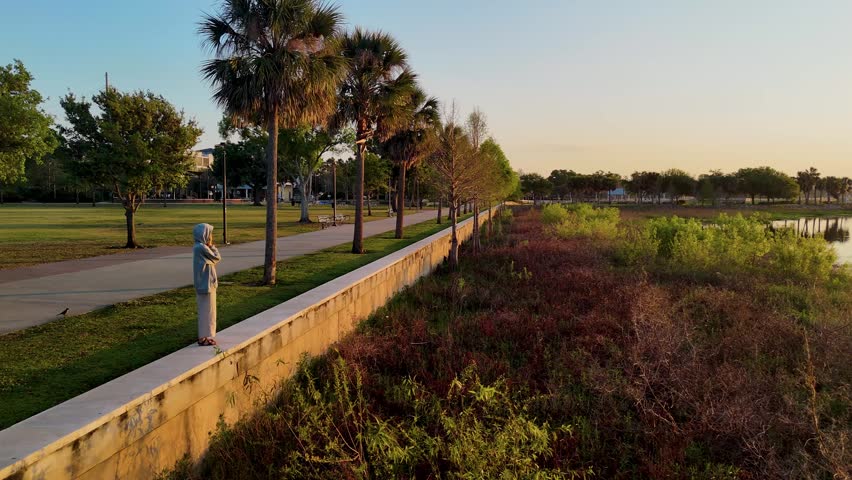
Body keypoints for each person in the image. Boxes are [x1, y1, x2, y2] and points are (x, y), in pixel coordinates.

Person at [193, 223, 221, 346]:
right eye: (209, 234)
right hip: (205, 284)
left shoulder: (200, 247)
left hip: (207, 283)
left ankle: (206, 336)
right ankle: (203, 337)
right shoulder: (201, 248)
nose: (211, 237)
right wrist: (212, 246)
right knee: (206, 311)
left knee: (209, 311)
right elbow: (217, 257)